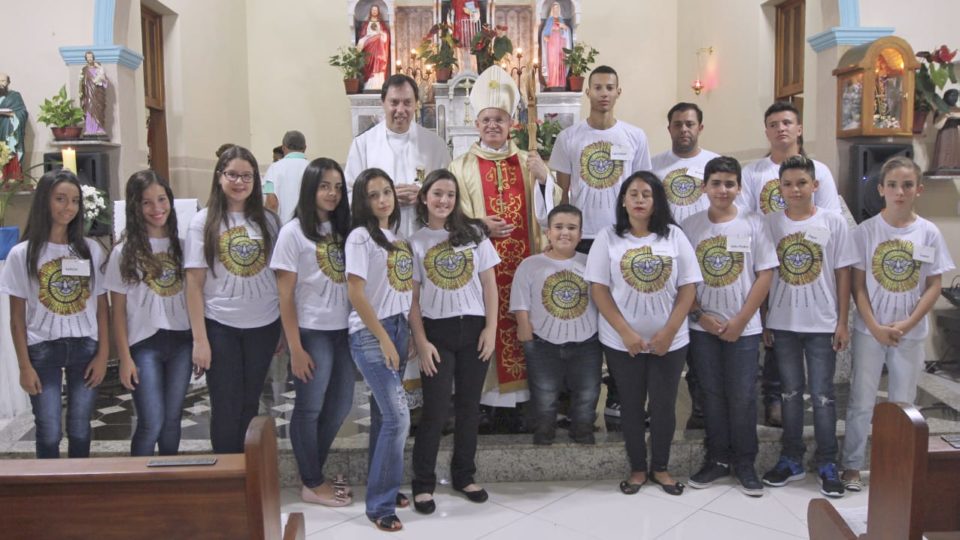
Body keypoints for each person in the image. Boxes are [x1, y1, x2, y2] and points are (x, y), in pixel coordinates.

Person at [449, 65, 562, 420]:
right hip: (483, 272)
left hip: (525, 268)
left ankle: (528, 406)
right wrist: (478, 224)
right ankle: (486, 406)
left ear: (511, 122)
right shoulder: (461, 166)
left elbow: (553, 216)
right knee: (486, 329)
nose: (493, 125)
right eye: (487, 119)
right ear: (476, 123)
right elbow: (448, 217)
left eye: (499, 119)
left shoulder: (528, 161)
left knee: (525, 325)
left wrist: (545, 181)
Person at [841, 156, 955, 491]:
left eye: (907, 185)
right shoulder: (865, 232)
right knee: (862, 399)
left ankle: (895, 464)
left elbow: (934, 284)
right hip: (869, 331)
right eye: (892, 185)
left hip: (910, 332)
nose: (899, 192)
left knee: (902, 402)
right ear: (881, 189)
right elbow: (858, 286)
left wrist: (907, 323)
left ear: (918, 189)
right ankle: (851, 464)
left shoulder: (929, 233)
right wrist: (874, 325)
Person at [585, 171, 702, 496]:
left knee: (664, 405)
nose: (639, 200)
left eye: (646, 195)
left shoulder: (674, 237)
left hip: (671, 341)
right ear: (623, 199)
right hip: (622, 342)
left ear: (656, 201)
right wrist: (625, 333)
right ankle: (638, 468)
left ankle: (661, 468)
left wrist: (668, 332)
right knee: (632, 406)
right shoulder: (608, 237)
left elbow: (688, 288)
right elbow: (599, 289)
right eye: (633, 194)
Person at [549, 64, 650, 419]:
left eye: (610, 87)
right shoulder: (569, 138)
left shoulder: (635, 136)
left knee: (623, 315)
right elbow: (561, 194)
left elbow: (642, 191)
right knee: (575, 317)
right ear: (587, 92)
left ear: (618, 92)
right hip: (582, 239)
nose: (604, 93)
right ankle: (572, 401)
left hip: (621, 238)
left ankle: (622, 397)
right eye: (598, 87)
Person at [740, 102, 842, 428]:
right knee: (775, 343)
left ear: (798, 128)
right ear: (766, 131)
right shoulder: (753, 173)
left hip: (810, 268)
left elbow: (830, 224)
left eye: (787, 122)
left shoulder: (820, 171)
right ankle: (773, 400)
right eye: (773, 124)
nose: (780, 128)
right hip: (770, 262)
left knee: (818, 374)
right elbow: (748, 220)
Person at [760, 155, 856, 498]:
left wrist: (842, 321)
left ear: (815, 185)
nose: (795, 190)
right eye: (787, 184)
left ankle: (828, 461)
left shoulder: (833, 222)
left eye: (802, 183)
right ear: (779, 188)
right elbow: (764, 274)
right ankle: (791, 457)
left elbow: (843, 272)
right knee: (788, 393)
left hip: (822, 322)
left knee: (823, 395)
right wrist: (765, 317)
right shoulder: (770, 223)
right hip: (783, 323)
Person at [681, 156, 777, 497]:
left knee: (743, 396)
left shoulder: (754, 223)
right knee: (711, 395)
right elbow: (684, 281)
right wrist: (700, 316)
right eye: (716, 183)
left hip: (743, 328)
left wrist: (741, 320)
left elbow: (765, 274)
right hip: (703, 328)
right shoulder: (690, 226)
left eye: (729, 183)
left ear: (739, 187)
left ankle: (745, 462)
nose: (723, 190)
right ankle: (717, 459)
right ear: (705, 187)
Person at [408, 169, 499, 514]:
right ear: (424, 197)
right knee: (434, 410)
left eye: (449, 194)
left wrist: (490, 329)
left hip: (474, 330)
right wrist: (421, 339)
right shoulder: (415, 242)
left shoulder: (474, 234)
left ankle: (464, 475)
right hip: (437, 334)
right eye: (437, 194)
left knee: (468, 407)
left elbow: (490, 284)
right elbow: (412, 298)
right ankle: (423, 483)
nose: (444, 200)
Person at [0, 169, 108, 458]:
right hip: (42, 348)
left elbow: (102, 309)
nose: (68, 207)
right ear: (44, 201)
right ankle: (49, 495)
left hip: (85, 346)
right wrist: (24, 365)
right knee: (48, 430)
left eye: (74, 201)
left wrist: (103, 355)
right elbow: (16, 319)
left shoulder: (90, 250)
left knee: (81, 428)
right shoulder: (22, 254)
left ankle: (78, 491)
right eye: (60, 199)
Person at [184, 145, 282, 454]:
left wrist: (280, 327)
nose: (239, 182)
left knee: (251, 402)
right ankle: (226, 478)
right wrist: (200, 340)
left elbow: (280, 278)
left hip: (263, 325)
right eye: (232, 175)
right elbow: (194, 284)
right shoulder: (204, 222)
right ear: (219, 177)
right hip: (220, 325)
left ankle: (249, 475)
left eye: (247, 176)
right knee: (225, 405)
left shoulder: (269, 222)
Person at [270, 158, 356, 506]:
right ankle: (312, 480)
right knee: (309, 409)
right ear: (310, 189)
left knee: (339, 407)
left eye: (337, 186)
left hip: (344, 331)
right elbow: (285, 295)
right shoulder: (293, 232)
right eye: (325, 186)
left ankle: (313, 473)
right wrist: (295, 347)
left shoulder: (344, 229)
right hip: (313, 332)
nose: (332, 193)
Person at [345, 168, 414, 532]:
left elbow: (402, 289)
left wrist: (407, 335)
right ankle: (380, 505)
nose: (383, 199)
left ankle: (383, 485)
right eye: (374, 194)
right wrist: (385, 338)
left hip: (398, 328)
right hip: (372, 333)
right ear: (363, 201)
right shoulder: (360, 237)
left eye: (387, 192)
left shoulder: (397, 237)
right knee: (398, 417)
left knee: (383, 414)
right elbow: (356, 292)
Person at [105, 171, 190, 456]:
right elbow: (117, 311)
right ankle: (137, 489)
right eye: (147, 203)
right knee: (151, 423)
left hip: (181, 341)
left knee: (172, 421)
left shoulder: (183, 245)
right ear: (135, 207)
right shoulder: (124, 251)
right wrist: (124, 358)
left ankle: (167, 486)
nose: (157, 209)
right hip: (144, 345)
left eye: (162, 200)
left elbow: (195, 296)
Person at [651, 102, 720, 430]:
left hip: (709, 259)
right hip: (668, 264)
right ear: (669, 129)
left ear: (701, 127)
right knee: (675, 332)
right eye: (677, 124)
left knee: (703, 340)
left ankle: (704, 411)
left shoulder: (714, 165)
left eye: (690, 124)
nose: (684, 130)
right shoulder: (655, 167)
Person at [512, 204, 601, 445]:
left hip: (587, 342)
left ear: (581, 234)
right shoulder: (530, 265)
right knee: (544, 393)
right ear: (548, 232)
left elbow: (603, 298)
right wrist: (524, 327)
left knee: (588, 391)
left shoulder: (591, 263)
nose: (565, 233)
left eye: (572, 228)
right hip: (542, 342)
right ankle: (544, 431)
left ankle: (582, 429)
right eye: (559, 227)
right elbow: (520, 301)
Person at [345, 74, 451, 240]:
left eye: (407, 103)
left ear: (416, 104)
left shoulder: (435, 145)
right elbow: (350, 195)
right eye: (394, 102)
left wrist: (425, 196)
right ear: (383, 103)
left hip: (424, 239)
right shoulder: (363, 144)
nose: (400, 110)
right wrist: (384, 196)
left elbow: (449, 193)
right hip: (377, 239)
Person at [263, 130, 309, 223]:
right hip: (310, 228)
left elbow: (271, 202)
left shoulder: (272, 170)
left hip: (282, 229)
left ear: (283, 148)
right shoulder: (314, 168)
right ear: (305, 148)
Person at [356, 4, 390, 92]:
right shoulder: (366, 24)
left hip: (379, 49)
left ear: (378, 11)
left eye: (376, 10)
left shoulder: (381, 23)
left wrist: (380, 33)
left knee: (378, 60)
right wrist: (370, 37)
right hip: (369, 47)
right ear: (370, 11)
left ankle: (378, 84)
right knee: (368, 62)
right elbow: (362, 35)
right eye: (373, 10)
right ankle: (368, 84)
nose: (374, 11)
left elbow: (386, 35)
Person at [0, 73, 28, 179]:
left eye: (3, 81)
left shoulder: (15, 96)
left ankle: (11, 179)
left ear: (8, 82)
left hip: (8, 131)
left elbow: (22, 113)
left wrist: (12, 114)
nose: (0, 84)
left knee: (9, 155)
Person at [540, 2, 572, 89]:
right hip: (552, 45)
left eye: (557, 8)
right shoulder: (549, 21)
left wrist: (564, 28)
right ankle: (552, 82)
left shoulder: (561, 20)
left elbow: (566, 31)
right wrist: (548, 34)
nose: (556, 10)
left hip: (560, 45)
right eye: (554, 9)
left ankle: (561, 83)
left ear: (559, 10)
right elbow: (544, 33)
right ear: (552, 10)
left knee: (561, 63)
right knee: (552, 62)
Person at [79, 51, 108, 138]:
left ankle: (98, 128)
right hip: (88, 93)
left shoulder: (99, 69)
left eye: (91, 57)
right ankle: (90, 129)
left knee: (98, 109)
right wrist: (82, 90)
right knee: (89, 109)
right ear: (86, 58)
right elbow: (81, 84)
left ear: (93, 57)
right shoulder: (84, 70)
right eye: (88, 57)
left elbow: (104, 81)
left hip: (97, 92)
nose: (89, 59)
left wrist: (101, 79)